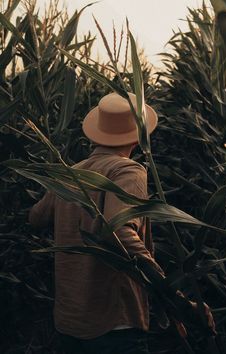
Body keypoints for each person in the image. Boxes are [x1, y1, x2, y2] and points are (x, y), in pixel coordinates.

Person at [29, 92, 215, 354]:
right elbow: (120, 231)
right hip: (114, 323)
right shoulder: (127, 170)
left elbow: (35, 217)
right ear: (138, 137)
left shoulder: (70, 173)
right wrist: (177, 299)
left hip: (69, 321)